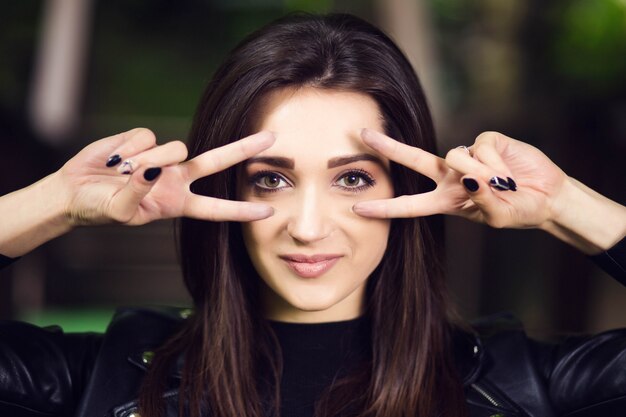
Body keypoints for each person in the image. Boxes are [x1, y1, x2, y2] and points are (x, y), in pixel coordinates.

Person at [0, 12, 625, 417]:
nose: (306, 225)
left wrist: (562, 205)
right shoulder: (97, 384)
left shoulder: (517, 388)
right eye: (271, 180)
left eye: (352, 177)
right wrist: (58, 202)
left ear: (406, 188)